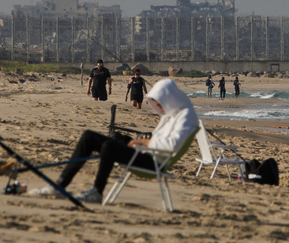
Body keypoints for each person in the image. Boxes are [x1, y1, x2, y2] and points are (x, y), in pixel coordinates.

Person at [31, 79, 199, 203]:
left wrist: (141, 143)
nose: (159, 109)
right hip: (145, 153)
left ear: (169, 98)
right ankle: (60, 184)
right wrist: (135, 141)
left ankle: (97, 191)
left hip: (152, 162)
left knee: (109, 146)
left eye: (160, 104)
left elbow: (172, 145)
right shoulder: (172, 113)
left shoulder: (185, 116)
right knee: (90, 136)